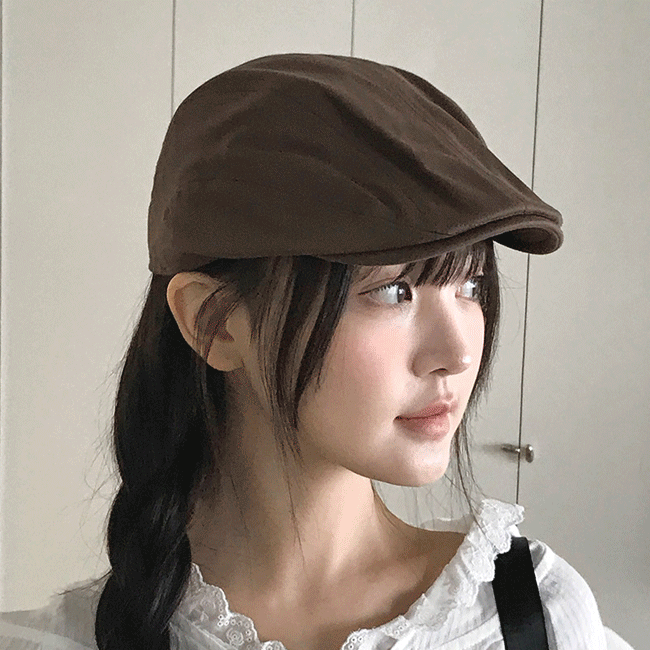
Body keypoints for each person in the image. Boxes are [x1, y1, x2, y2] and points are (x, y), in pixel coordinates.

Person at [0, 53, 635, 650]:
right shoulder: (62, 639)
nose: (457, 354)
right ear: (215, 324)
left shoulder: (530, 616)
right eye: (393, 291)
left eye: (470, 286)